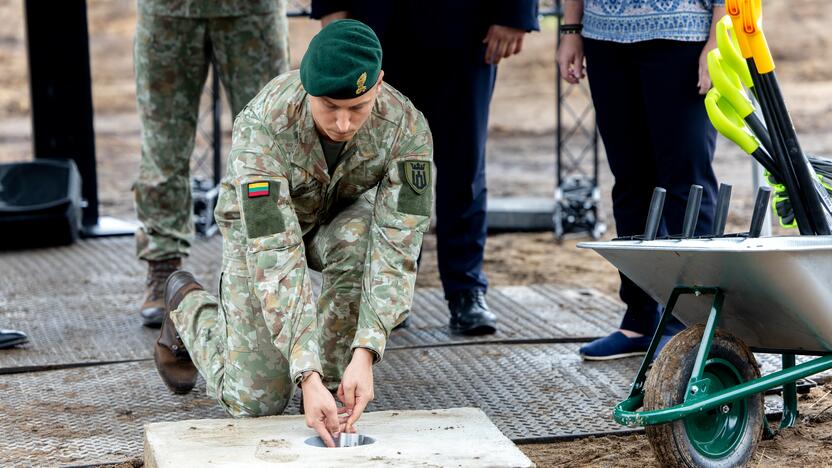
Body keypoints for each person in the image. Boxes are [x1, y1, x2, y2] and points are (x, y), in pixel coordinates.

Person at [153, 20, 433, 447]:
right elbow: (275, 252)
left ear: (379, 83)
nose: (342, 123)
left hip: (336, 222)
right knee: (255, 402)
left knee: (360, 242)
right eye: (328, 106)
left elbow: (399, 245)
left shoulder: (408, 129)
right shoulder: (264, 126)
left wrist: (367, 350)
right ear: (305, 87)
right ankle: (188, 306)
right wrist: (305, 372)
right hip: (261, 235)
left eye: (357, 108)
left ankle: (336, 374)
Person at [311, 1, 539, 335]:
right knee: (378, 165)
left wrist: (514, 12)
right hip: (378, 25)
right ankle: (386, 292)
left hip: (467, 27)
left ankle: (466, 289)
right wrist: (333, 6)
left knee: (464, 164)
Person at [557, 0, 725, 359]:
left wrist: (717, 38)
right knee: (631, 182)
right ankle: (640, 318)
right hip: (604, 38)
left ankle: (689, 323)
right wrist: (571, 30)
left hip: (683, 35)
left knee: (687, 182)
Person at [134, 0, 291, 328]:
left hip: (252, 9)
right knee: (163, 140)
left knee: (267, 140)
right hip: (168, 9)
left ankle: (271, 266)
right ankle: (164, 263)